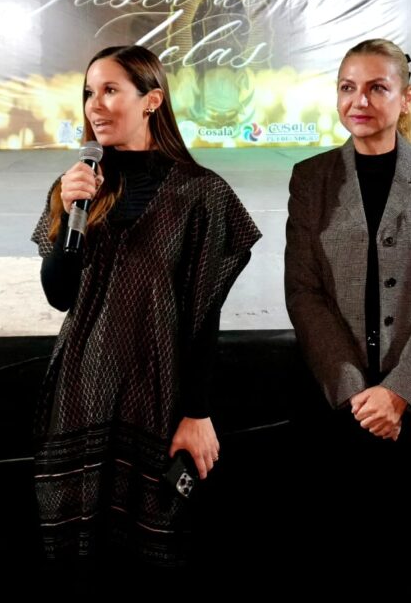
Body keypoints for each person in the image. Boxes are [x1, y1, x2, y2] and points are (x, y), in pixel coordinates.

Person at [30, 45, 260, 578]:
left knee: (151, 552)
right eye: (89, 92)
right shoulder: (75, 186)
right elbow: (59, 295)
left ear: (151, 100)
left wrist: (197, 412)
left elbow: (204, 314)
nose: (95, 105)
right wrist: (70, 216)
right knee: (79, 555)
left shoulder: (201, 194)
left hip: (156, 397)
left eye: (110, 90)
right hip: (80, 393)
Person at [284, 38, 411, 596]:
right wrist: (354, 392)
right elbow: (304, 292)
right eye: (348, 87)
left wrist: (399, 391)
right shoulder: (312, 179)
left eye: (376, 88)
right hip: (334, 397)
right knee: (337, 550)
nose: (359, 101)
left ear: (406, 98)